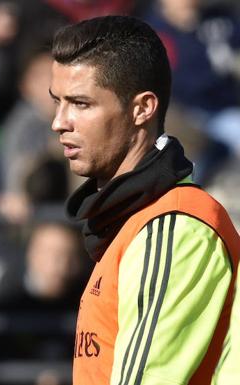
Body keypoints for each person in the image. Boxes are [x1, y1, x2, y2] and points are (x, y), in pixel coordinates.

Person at [49, 15, 240, 385]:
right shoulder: (134, 222)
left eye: (80, 104)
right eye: (58, 102)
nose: (59, 122)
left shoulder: (173, 224)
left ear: (143, 108)